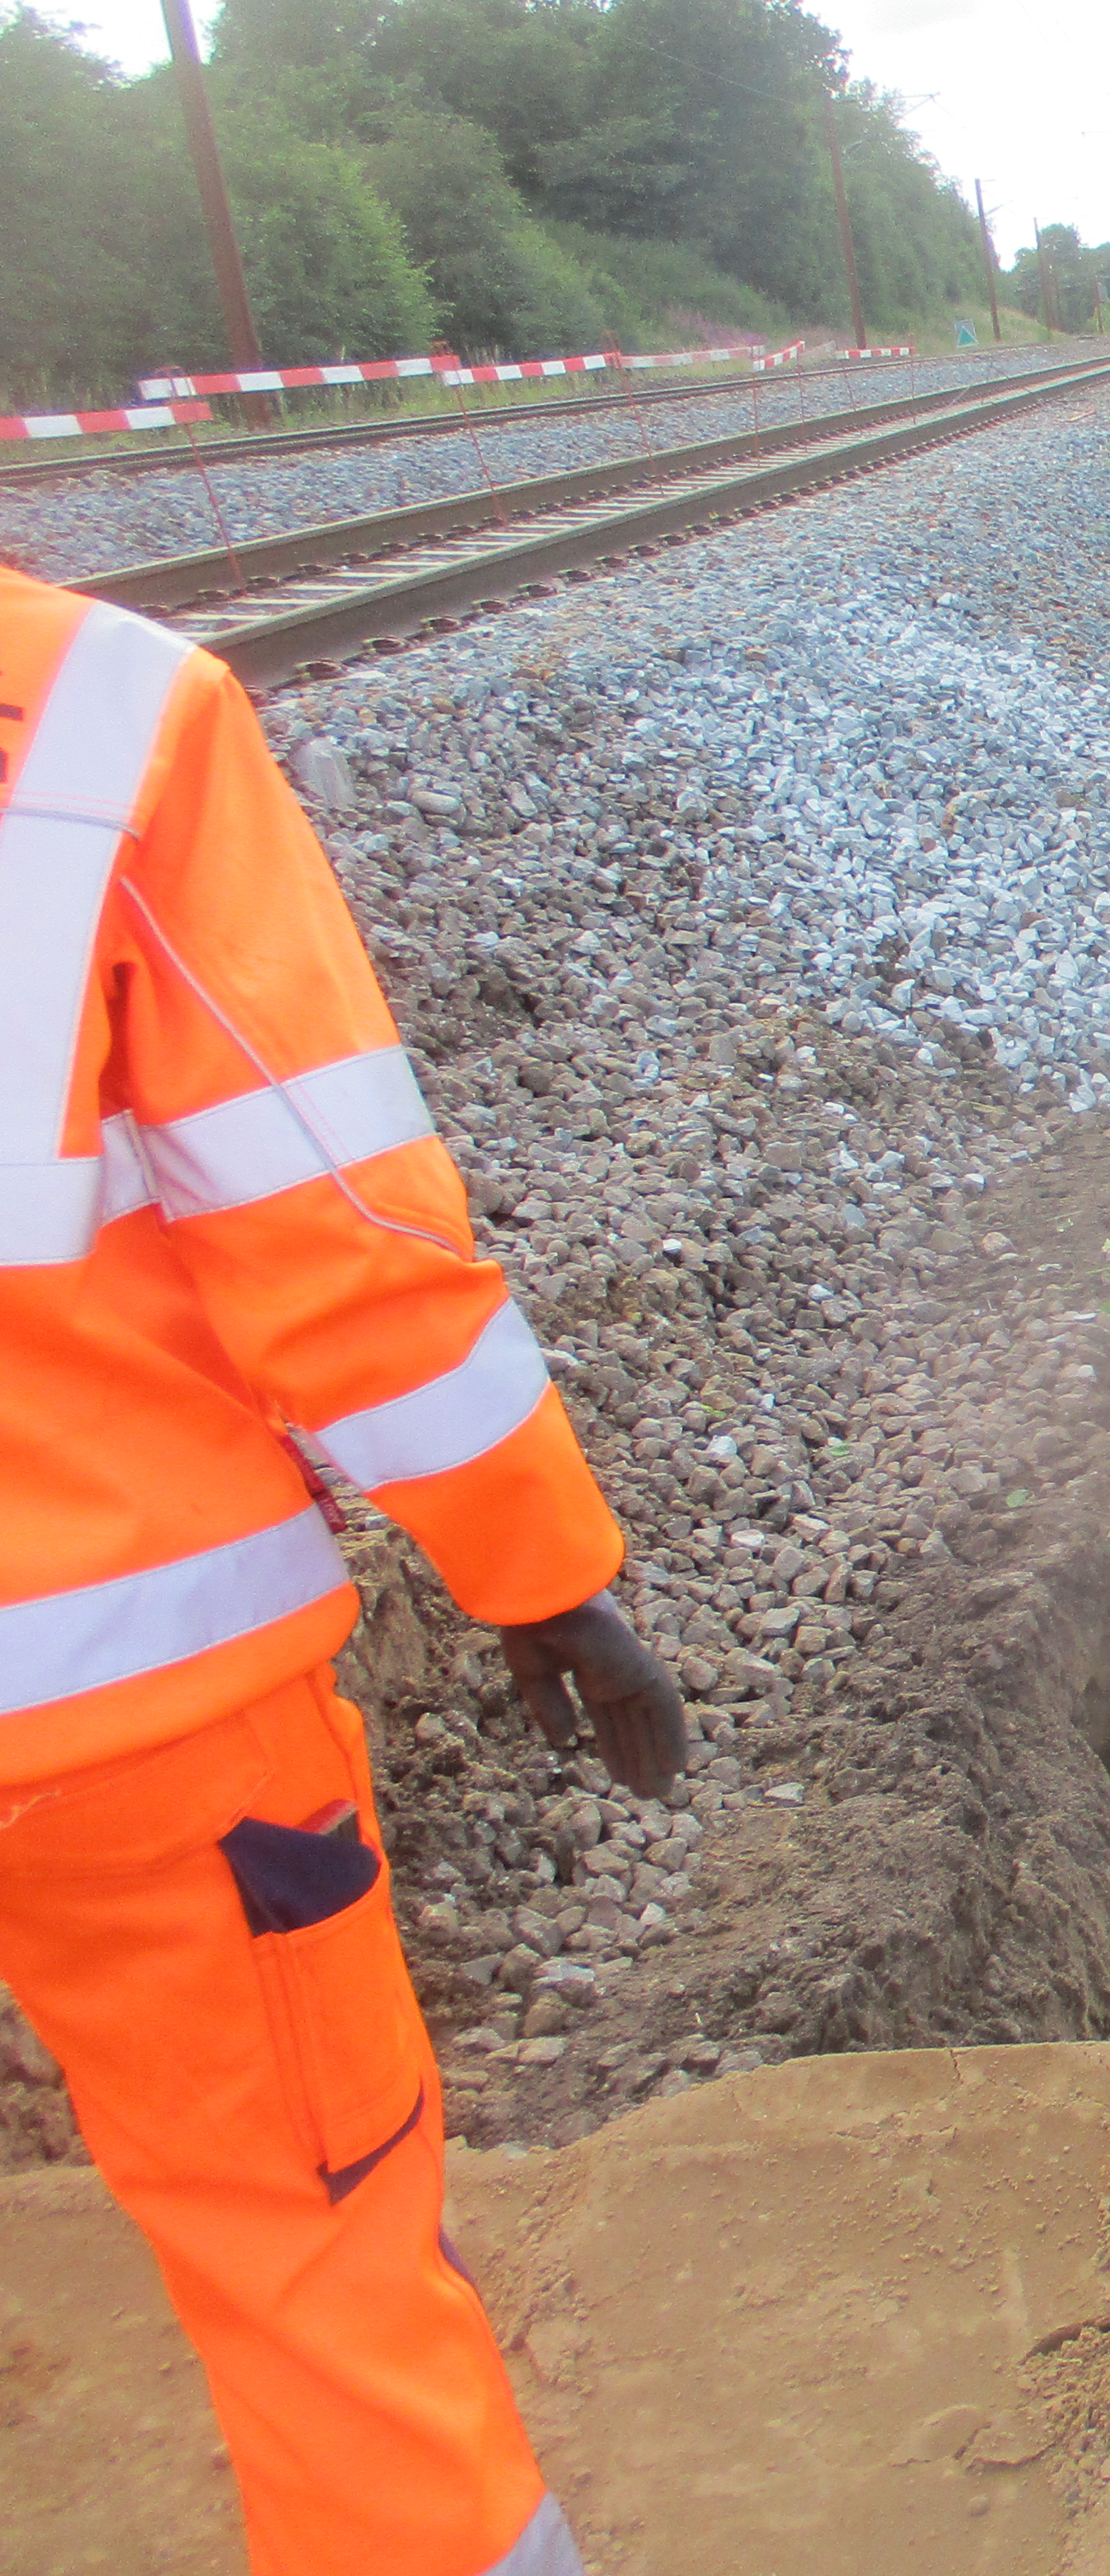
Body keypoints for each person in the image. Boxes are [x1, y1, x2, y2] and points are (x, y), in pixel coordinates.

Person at [0, 564, 687, 2576]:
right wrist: (537, 1565)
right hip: (127, 1696)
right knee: (311, 2275)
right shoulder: (95, 718)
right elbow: (333, 1238)